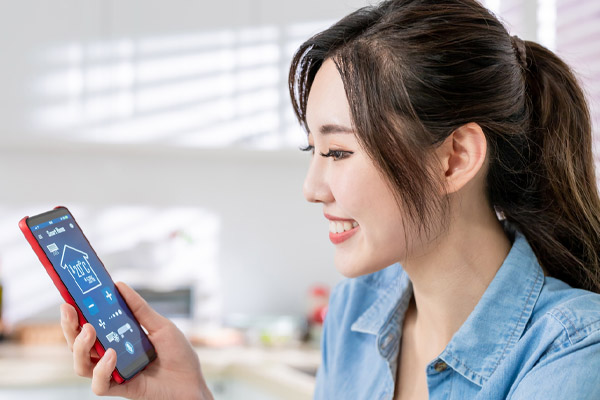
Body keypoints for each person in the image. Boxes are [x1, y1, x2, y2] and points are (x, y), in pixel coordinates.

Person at [61, 0, 600, 398]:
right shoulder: (356, 311)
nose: (312, 187)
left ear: (454, 158)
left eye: (339, 152)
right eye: (311, 149)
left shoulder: (574, 352)